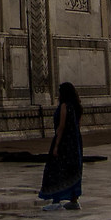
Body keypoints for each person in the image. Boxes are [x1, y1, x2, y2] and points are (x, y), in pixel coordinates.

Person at [38, 82, 85, 210]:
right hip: (75, 142)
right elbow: (78, 126)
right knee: (73, 170)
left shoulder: (64, 106)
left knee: (56, 169)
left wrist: (56, 145)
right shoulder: (78, 107)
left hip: (64, 141)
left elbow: (62, 126)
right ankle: (74, 200)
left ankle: (56, 200)